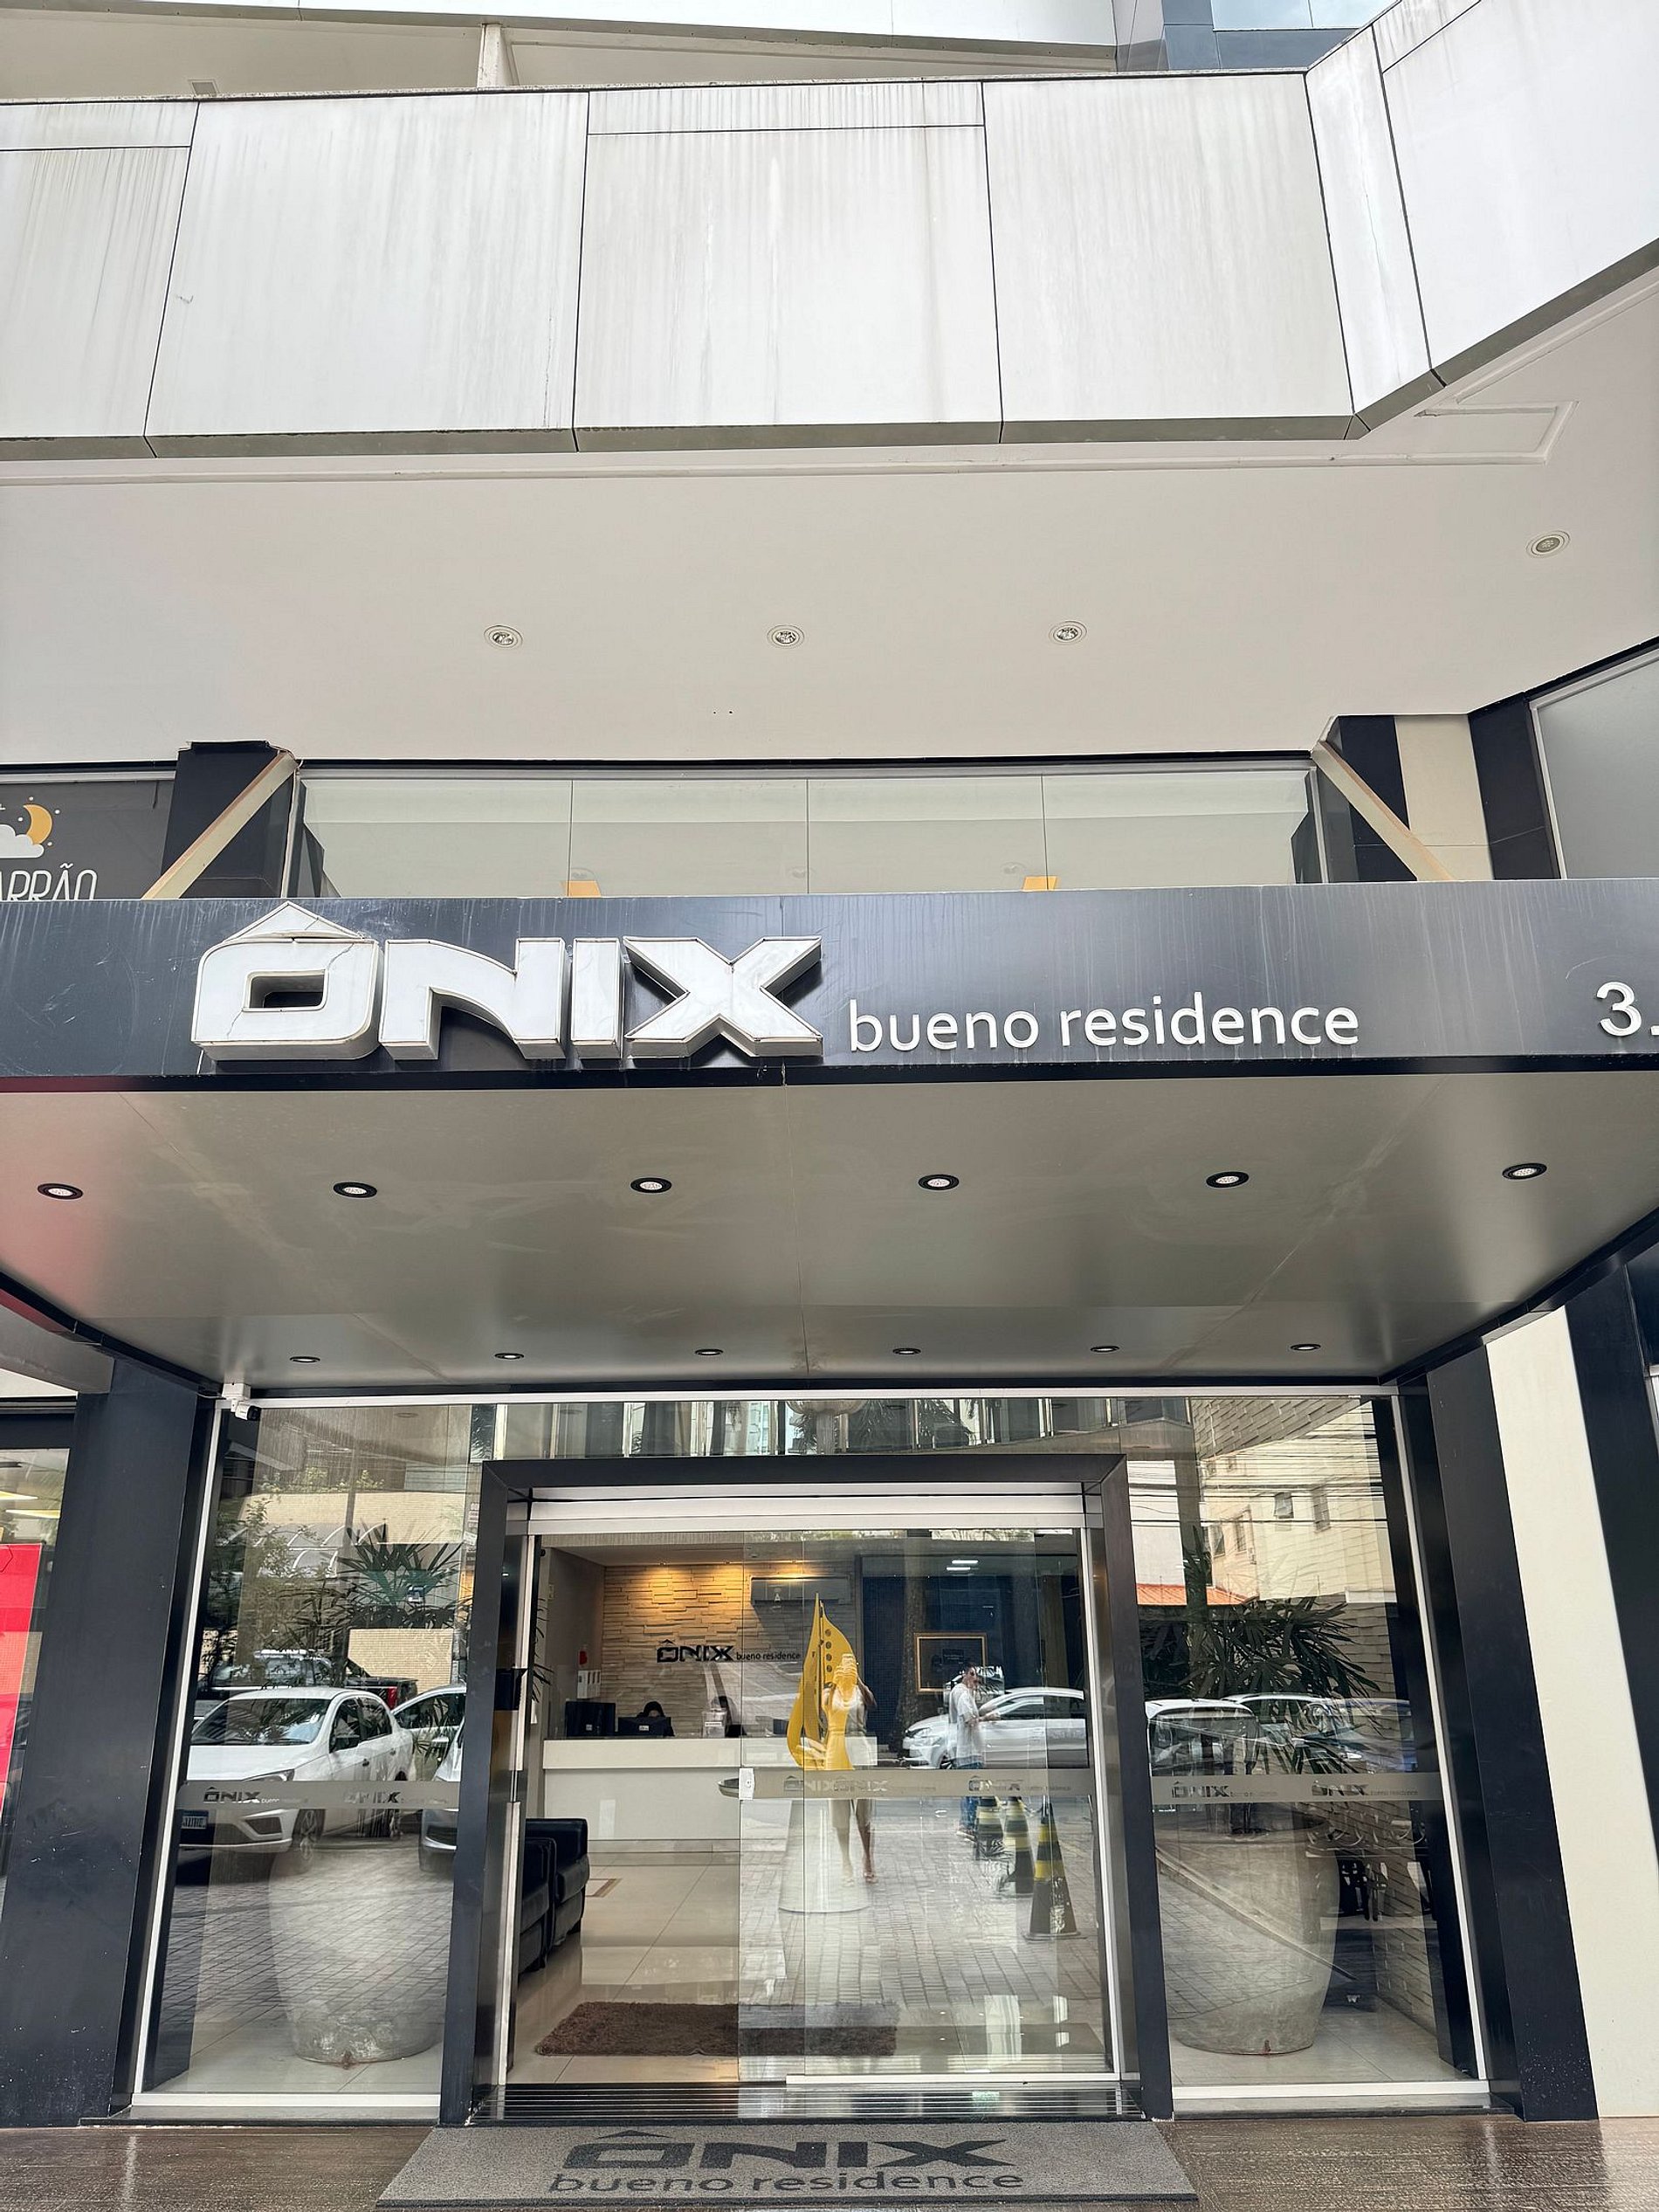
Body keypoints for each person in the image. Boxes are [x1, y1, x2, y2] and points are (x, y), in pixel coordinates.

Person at [824, 1650, 878, 1881]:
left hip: (859, 1747)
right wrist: (836, 1683)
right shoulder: (830, 1692)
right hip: (837, 1747)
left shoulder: (860, 1691)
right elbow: (824, 1708)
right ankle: (845, 1860)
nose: (846, 1668)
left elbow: (872, 1704)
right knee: (840, 1811)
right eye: (843, 1664)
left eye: (851, 1665)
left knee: (863, 1809)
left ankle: (867, 1857)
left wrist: (858, 1681)